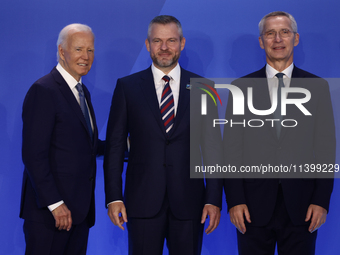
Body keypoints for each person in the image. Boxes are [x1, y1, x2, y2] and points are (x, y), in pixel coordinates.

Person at [104, 15, 223, 255]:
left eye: (171, 40)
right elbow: (115, 147)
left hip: (190, 204)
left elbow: (212, 149)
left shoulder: (204, 87)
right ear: (148, 45)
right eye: (157, 41)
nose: (165, 47)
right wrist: (114, 197)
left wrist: (213, 199)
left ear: (182, 43)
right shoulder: (127, 87)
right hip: (142, 202)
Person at [223, 11, 336, 255]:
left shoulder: (317, 87)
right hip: (252, 207)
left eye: (284, 32)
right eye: (270, 33)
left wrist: (321, 201)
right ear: (261, 41)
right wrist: (235, 200)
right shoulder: (241, 88)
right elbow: (231, 150)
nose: (278, 39)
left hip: (303, 206)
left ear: (295, 38)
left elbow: (326, 148)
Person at [20, 23, 105, 255]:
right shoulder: (44, 90)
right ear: (62, 51)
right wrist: (55, 204)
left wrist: (124, 144)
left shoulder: (81, 91)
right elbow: (33, 154)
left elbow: (82, 145)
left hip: (78, 213)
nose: (86, 57)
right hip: (51, 215)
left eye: (90, 50)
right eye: (78, 49)